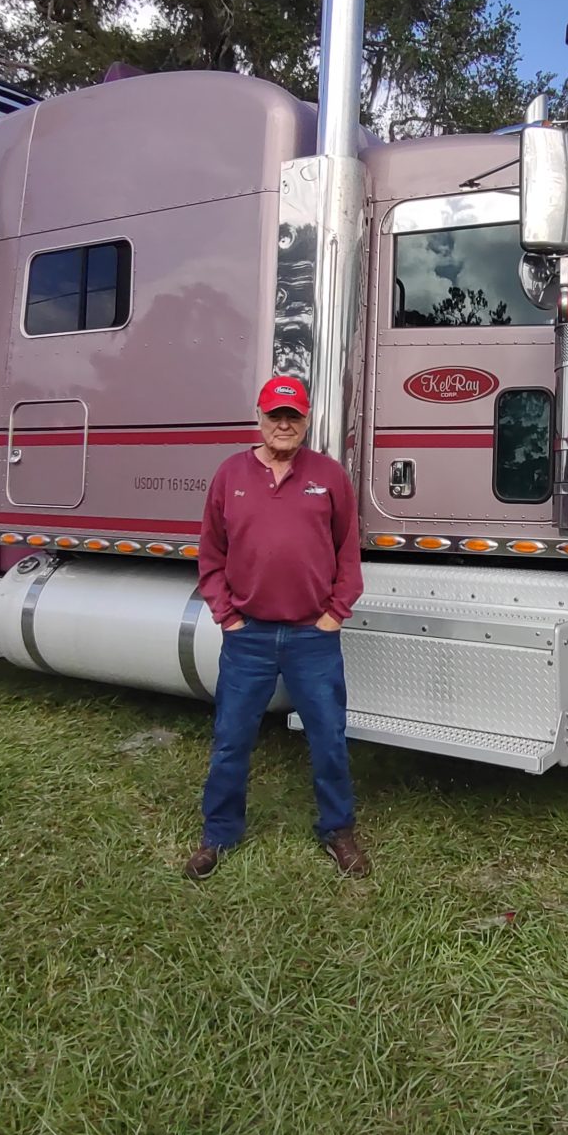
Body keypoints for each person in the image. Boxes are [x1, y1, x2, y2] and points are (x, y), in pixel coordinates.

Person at [186, 375, 370, 880]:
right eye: (275, 416)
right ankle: (218, 834)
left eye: (293, 416)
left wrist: (335, 612)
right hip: (249, 638)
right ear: (260, 418)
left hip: (314, 636)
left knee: (329, 737)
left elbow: (347, 552)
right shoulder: (230, 475)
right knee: (231, 738)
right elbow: (210, 555)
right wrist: (229, 617)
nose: (283, 425)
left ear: (306, 420)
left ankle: (338, 829)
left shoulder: (329, 476)